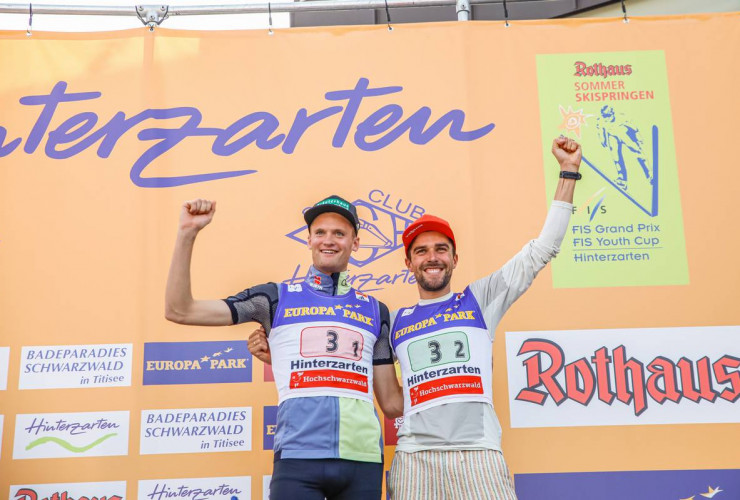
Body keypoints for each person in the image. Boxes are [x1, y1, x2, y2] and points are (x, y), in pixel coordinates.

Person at [165, 194, 403, 500]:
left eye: (339, 233)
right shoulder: (274, 298)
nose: (328, 240)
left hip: (363, 460)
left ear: (355, 243)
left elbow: (392, 404)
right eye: (320, 232)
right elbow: (180, 310)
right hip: (298, 459)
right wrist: (187, 234)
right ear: (309, 240)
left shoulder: (375, 310)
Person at [387, 136, 582, 499]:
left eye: (441, 249)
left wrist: (568, 171)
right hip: (415, 458)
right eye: (422, 251)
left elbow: (543, 249)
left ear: (454, 259)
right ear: (409, 262)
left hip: (479, 453)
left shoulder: (480, 299)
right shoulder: (395, 320)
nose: (433, 257)